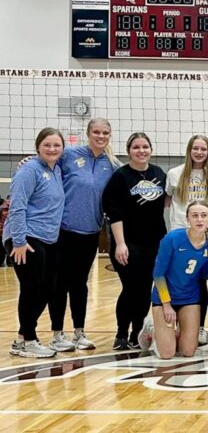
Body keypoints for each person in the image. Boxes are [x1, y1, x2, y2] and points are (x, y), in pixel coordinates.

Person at [46, 118, 120, 353]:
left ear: (109, 135)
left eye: (105, 132)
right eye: (96, 132)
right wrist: (26, 161)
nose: (101, 136)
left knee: (79, 284)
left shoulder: (112, 163)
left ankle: (79, 332)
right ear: (88, 133)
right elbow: (44, 163)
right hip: (63, 230)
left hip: (90, 233)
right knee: (59, 283)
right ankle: (57, 333)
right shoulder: (69, 155)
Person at [102, 132, 167, 350]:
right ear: (129, 151)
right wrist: (120, 244)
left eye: (145, 147)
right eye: (136, 147)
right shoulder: (121, 176)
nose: (141, 151)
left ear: (151, 149)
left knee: (146, 288)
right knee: (131, 288)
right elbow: (114, 213)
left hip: (154, 241)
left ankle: (136, 334)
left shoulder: (159, 173)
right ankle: (121, 334)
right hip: (128, 242)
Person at [4, 128, 65, 358]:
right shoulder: (29, 171)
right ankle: (29, 340)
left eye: (56, 145)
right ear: (37, 147)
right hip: (26, 237)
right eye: (47, 145)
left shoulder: (56, 170)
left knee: (47, 289)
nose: (52, 149)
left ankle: (22, 338)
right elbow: (17, 205)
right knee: (32, 288)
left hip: (48, 238)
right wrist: (18, 241)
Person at [166, 134, 208, 346]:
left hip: (203, 238)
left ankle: (196, 328)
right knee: (177, 281)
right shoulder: (174, 174)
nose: (199, 152)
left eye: (203, 149)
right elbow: (168, 202)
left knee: (199, 281)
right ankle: (173, 325)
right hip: (180, 235)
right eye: (195, 148)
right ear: (189, 150)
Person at [151, 202, 208, 359]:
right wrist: (166, 304)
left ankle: (174, 331)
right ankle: (152, 329)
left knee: (187, 352)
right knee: (167, 354)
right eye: (195, 215)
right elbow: (158, 274)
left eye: (204, 215)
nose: (199, 219)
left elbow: (204, 274)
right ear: (187, 218)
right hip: (165, 299)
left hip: (189, 298)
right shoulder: (172, 239)